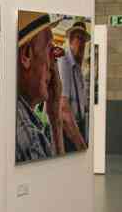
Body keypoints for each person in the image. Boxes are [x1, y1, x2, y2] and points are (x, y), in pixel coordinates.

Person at [15, 11, 65, 163]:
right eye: (50, 50)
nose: (53, 65)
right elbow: (59, 182)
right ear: (26, 55)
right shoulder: (30, 136)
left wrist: (54, 111)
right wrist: (56, 120)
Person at [57, 21, 90, 153]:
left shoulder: (78, 67)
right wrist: (81, 145)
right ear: (70, 40)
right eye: (78, 38)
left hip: (78, 126)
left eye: (84, 40)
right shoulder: (64, 61)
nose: (82, 43)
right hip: (67, 131)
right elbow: (64, 109)